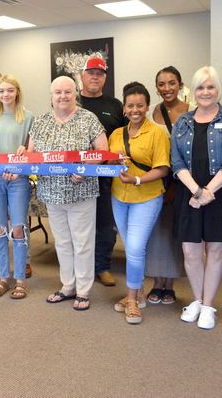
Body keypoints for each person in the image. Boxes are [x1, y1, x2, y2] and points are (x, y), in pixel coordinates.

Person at [171, 66, 222, 330]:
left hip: (221, 194)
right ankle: (198, 301)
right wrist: (197, 192)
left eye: (210, 87)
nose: (205, 92)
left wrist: (208, 192)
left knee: (214, 250)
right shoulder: (183, 121)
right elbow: (176, 161)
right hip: (189, 193)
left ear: (218, 90)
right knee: (190, 251)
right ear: (193, 91)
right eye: (200, 87)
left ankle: (208, 305)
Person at [29, 76, 108, 311]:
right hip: (51, 193)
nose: (62, 96)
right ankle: (67, 286)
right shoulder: (41, 121)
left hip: (81, 191)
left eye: (68, 92)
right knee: (62, 242)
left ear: (76, 94)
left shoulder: (88, 119)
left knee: (82, 242)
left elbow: (102, 151)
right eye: (58, 92)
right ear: (51, 96)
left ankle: (83, 291)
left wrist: (86, 169)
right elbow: (31, 154)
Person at [109, 82, 170, 324]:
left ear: (146, 107)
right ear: (124, 108)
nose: (135, 109)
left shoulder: (157, 133)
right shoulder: (115, 135)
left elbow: (163, 168)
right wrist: (113, 165)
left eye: (140, 105)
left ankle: (132, 299)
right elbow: (109, 164)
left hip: (147, 197)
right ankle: (140, 292)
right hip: (119, 197)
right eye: (130, 105)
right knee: (131, 248)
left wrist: (136, 179)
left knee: (134, 249)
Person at [145, 66, 193, 304]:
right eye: (162, 84)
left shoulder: (191, 111)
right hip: (157, 180)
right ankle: (156, 282)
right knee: (155, 232)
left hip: (182, 182)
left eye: (171, 83)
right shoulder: (154, 111)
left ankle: (171, 284)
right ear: (156, 88)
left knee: (174, 232)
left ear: (180, 84)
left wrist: (176, 185)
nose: (167, 89)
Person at [0, 75, 34, 299]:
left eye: (9, 90)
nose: (5, 94)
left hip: (18, 179)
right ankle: (4, 277)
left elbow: (31, 153)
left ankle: (20, 279)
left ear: (17, 92)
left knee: (18, 228)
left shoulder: (28, 117)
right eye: (1, 91)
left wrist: (25, 154)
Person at [79, 57, 126, 287]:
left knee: (106, 225)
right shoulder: (71, 101)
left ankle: (102, 267)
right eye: (91, 72)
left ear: (105, 77)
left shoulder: (115, 105)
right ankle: (82, 268)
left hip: (106, 175)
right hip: (76, 176)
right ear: (82, 76)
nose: (95, 76)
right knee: (80, 225)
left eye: (100, 73)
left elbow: (124, 136)